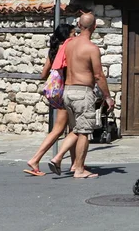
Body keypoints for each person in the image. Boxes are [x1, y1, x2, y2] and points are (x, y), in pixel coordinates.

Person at [48, 13, 114, 179]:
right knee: (84, 131)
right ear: (94, 27)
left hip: (67, 91)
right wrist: (107, 97)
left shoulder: (69, 44)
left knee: (76, 129)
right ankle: (79, 169)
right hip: (82, 91)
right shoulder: (91, 48)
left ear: (78, 25)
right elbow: (99, 75)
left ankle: (58, 157)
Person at [24, 24, 75, 176]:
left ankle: (75, 164)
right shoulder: (67, 49)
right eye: (73, 33)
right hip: (67, 90)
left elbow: (43, 73)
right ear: (67, 35)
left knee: (72, 129)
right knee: (59, 129)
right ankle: (35, 159)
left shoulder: (53, 51)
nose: (76, 35)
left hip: (57, 92)